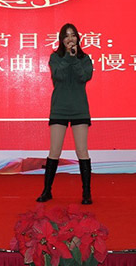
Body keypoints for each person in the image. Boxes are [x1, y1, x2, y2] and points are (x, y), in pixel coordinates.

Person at [37, 23, 94, 205]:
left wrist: (74, 58)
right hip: (59, 108)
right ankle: (47, 191)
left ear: (78, 38)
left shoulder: (84, 58)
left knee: (81, 150)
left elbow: (84, 77)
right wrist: (68, 57)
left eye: (73, 35)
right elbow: (59, 76)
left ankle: (86, 193)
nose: (70, 38)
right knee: (55, 150)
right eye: (66, 35)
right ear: (62, 39)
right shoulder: (55, 57)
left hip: (79, 108)